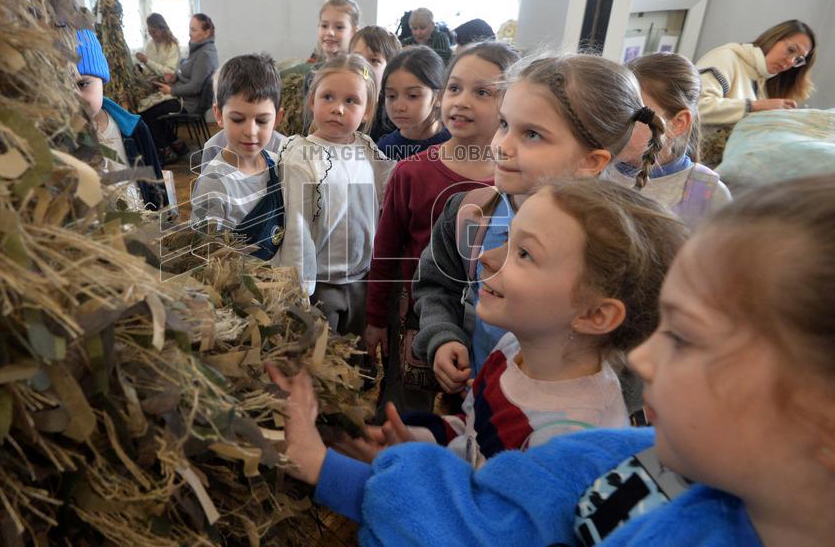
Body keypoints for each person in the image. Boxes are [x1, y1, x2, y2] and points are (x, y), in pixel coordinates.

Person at [268, 174, 835, 547]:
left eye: (684, 338)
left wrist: (323, 467)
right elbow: (493, 494)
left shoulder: (567, 431)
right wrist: (432, 447)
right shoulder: (619, 453)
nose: (647, 359)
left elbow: (470, 532)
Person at [343, 180, 686, 467]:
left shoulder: (566, 440)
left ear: (594, 315)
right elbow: (474, 436)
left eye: (524, 253)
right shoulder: (513, 349)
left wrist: (411, 469)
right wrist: (424, 440)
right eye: (508, 240)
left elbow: (486, 523)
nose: (486, 258)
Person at [412, 54, 666, 390]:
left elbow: (634, 362)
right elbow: (437, 285)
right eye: (504, 124)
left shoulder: (618, 250)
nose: (502, 146)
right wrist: (442, 336)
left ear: (591, 160)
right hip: (479, 403)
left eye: (531, 134)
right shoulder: (469, 212)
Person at [366, 43, 517, 413]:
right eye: (454, 88)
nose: (461, 101)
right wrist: (374, 318)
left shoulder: (517, 180)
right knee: (406, 405)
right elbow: (385, 251)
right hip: (419, 309)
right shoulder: (411, 171)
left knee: (471, 409)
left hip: (494, 317)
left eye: (482, 92)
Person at [275, 54, 395, 336]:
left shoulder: (368, 151)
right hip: (320, 285)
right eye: (328, 97)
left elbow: (385, 200)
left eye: (351, 101)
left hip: (362, 280)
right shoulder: (301, 157)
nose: (338, 109)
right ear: (311, 101)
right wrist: (300, 293)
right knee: (323, 359)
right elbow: (297, 229)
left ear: (367, 111)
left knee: (358, 362)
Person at [613, 53, 731, 227]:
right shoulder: (592, 169)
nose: (612, 124)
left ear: (677, 124)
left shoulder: (708, 192)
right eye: (612, 110)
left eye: (632, 114)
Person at [190, 54, 284, 260]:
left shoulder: (279, 165)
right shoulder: (213, 184)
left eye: (262, 120)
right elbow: (205, 255)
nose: (250, 131)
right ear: (218, 115)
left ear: (278, 118)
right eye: (238, 119)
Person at [695, 19, 816, 165]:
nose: (791, 62)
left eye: (798, 59)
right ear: (773, 39)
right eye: (791, 50)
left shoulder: (761, 81)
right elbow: (696, 108)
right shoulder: (726, 57)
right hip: (693, 164)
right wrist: (755, 106)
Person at [74, 29, 167, 211]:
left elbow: (156, 185)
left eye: (83, 84)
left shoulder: (134, 128)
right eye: (62, 85)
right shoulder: (56, 142)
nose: (74, 96)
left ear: (103, 81)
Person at [141, 13, 219, 160]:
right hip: (184, 97)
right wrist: (176, 76)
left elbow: (195, 86)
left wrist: (172, 90)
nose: (190, 33)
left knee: (148, 114)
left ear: (206, 32)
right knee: (151, 111)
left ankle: (166, 151)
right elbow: (189, 74)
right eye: (190, 28)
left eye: (194, 29)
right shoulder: (199, 49)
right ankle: (177, 144)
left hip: (189, 104)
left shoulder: (205, 55)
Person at [375, 45, 450, 161]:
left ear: (439, 97)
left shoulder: (458, 144)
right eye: (391, 96)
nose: (399, 107)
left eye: (413, 96)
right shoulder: (383, 150)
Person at [302, 0, 361, 134]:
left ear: (354, 32)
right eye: (324, 26)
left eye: (339, 27)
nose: (330, 32)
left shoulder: (359, 73)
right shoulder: (312, 75)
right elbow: (308, 121)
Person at [349, 26, 403, 142]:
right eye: (356, 58)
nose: (363, 67)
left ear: (390, 69)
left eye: (374, 60)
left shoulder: (394, 114)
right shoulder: (341, 102)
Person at [135, 12, 180, 79]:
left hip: (167, 85)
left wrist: (147, 61)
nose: (151, 34)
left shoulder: (172, 46)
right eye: (149, 31)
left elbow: (170, 72)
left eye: (154, 31)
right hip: (151, 82)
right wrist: (140, 69)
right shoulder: (150, 44)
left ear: (163, 29)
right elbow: (149, 70)